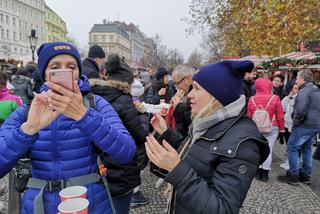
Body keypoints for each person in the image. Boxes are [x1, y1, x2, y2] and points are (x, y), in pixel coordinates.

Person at [0, 42, 136, 214]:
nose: (65, 72)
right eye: (55, 67)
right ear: (45, 73)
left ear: (79, 72)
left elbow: (126, 151)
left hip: (90, 203)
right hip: (39, 205)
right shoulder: (28, 110)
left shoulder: (95, 104)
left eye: (71, 66)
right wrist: (28, 129)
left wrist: (84, 116)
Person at [146, 60, 269, 214]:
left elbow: (223, 209)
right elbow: (197, 156)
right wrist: (167, 133)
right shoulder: (206, 122)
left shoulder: (244, 143)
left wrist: (177, 169)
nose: (190, 94)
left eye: (196, 88)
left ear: (216, 95)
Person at [90, 54, 149, 213]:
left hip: (96, 169)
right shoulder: (124, 100)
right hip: (121, 170)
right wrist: (143, 114)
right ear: (126, 82)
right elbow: (141, 134)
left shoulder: (92, 96)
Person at [277, 69, 320, 186]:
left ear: (302, 79)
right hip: (314, 125)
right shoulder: (316, 89)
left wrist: (295, 121)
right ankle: (306, 175)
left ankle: (293, 175)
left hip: (303, 125)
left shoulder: (304, 91)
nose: (296, 80)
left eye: (297, 78)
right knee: (306, 149)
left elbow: (300, 110)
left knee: (292, 148)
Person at [247, 78, 285, 182]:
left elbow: (249, 116)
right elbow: (280, 115)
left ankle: (258, 172)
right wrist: (282, 130)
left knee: (258, 150)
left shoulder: (252, 99)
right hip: (272, 127)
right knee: (269, 149)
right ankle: (265, 175)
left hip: (256, 128)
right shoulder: (275, 98)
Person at [279, 84, 299, 170]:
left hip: (294, 126)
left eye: (296, 88)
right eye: (293, 88)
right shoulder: (288, 98)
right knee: (288, 144)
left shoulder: (300, 99)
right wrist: (287, 98)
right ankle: (288, 160)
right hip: (287, 125)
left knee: (292, 146)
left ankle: (292, 163)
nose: (293, 90)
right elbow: (282, 108)